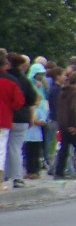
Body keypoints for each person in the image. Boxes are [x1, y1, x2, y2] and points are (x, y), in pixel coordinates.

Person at [4, 54, 38, 188]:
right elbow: (32, 99)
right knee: (15, 147)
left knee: (4, 147)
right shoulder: (24, 81)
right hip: (22, 116)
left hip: (7, 115)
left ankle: (6, 173)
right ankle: (17, 177)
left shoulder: (7, 78)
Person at [0, 52, 27, 188]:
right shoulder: (11, 80)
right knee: (1, 148)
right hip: (3, 118)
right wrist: (8, 108)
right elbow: (19, 101)